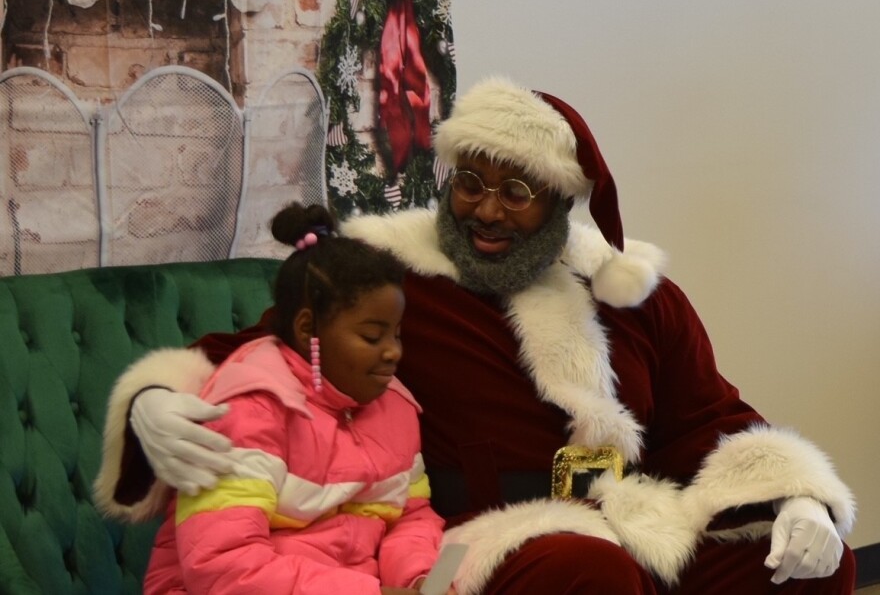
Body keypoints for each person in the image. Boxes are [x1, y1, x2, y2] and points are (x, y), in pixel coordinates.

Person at [95, 77, 857, 594]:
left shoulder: (636, 299)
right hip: (460, 539)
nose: (487, 211)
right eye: (471, 183)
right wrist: (152, 402)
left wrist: (795, 498)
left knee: (808, 563)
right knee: (583, 571)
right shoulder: (389, 271)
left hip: (633, 517)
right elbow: (270, 350)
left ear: (565, 201)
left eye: (518, 192)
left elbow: (707, 420)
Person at [136, 202, 448, 594]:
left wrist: (420, 579)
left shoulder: (396, 409)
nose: (393, 352)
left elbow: (410, 518)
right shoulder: (247, 410)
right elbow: (222, 567)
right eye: (372, 336)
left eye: (397, 334)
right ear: (307, 330)